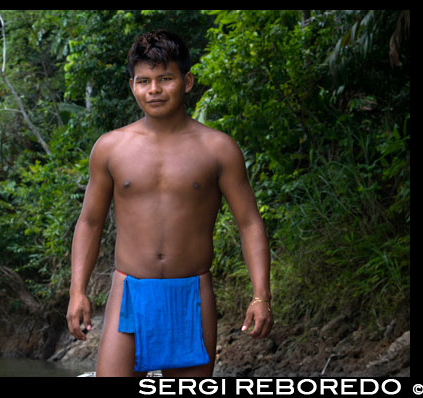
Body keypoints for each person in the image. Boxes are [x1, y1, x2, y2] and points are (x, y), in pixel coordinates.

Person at [66, 30, 273, 377]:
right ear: (132, 85)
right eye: (143, 81)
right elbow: (89, 222)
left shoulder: (217, 149)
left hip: (191, 292)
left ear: (187, 81)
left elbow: (249, 223)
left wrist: (261, 295)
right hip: (129, 290)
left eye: (165, 78)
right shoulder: (111, 148)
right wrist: (77, 292)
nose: (154, 90)